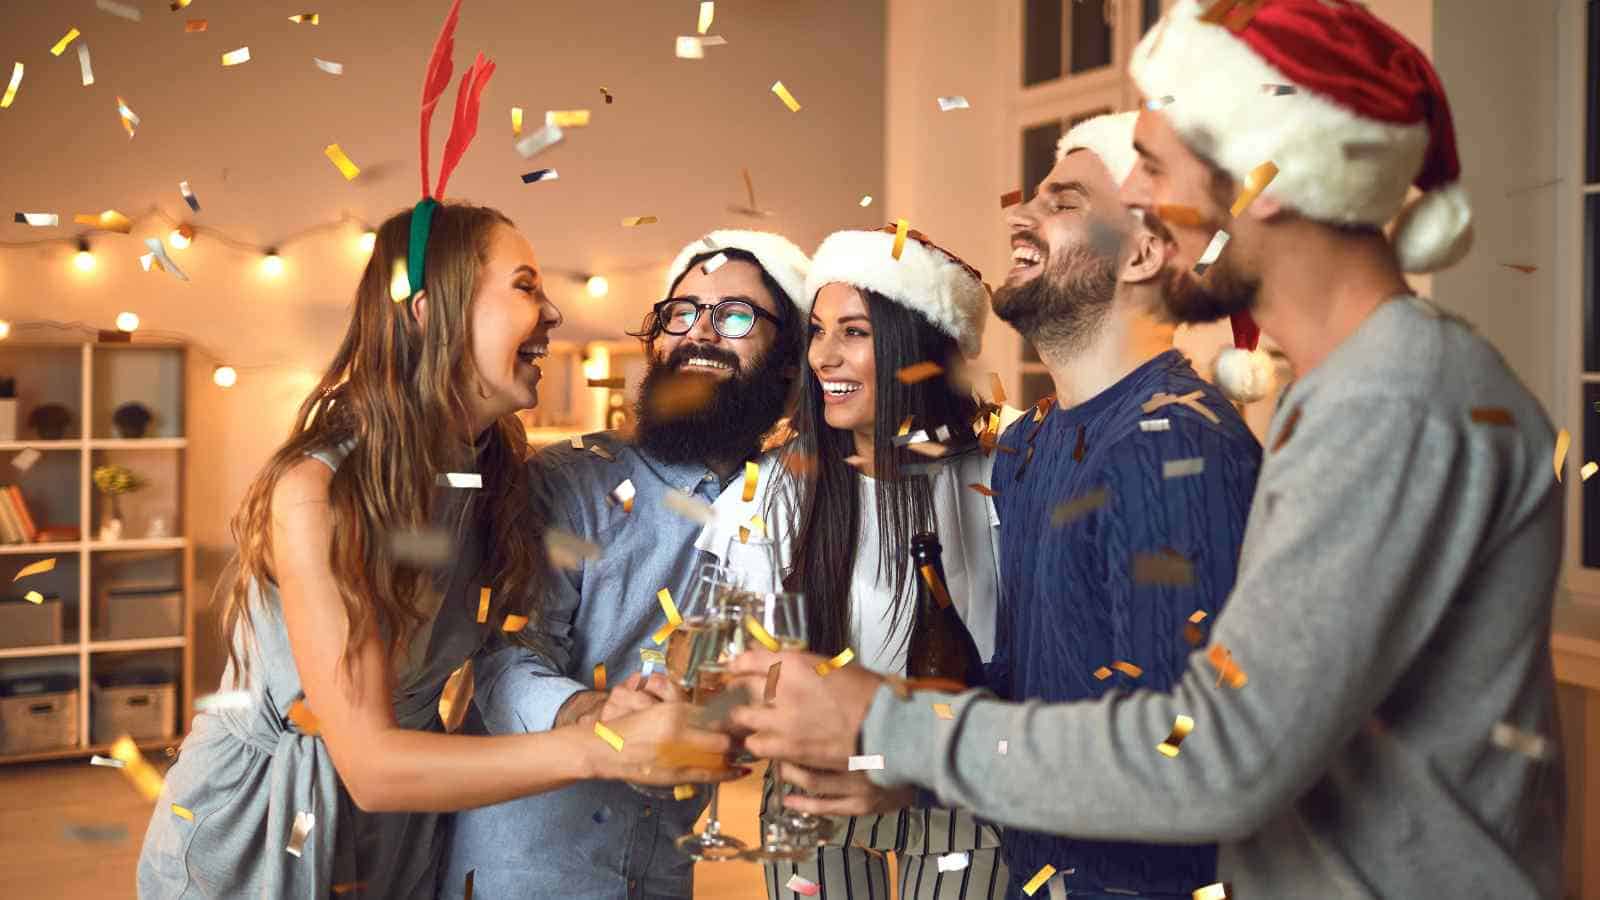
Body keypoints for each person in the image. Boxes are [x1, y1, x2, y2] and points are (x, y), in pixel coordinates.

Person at [727, 2, 1566, 897]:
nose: (1137, 203)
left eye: (1154, 168)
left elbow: (1218, 755)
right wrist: (905, 755)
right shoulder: (1346, 396)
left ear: (1266, 180)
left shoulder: (1394, 402)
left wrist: (885, 724)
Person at [136, 7, 735, 889]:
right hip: (266, 834)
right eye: (526, 286)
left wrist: (608, 702)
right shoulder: (318, 491)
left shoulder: (492, 474)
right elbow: (374, 767)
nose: (554, 313)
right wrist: (604, 748)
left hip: (402, 842)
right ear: (429, 313)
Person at [443, 229, 811, 899]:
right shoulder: (568, 481)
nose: (700, 332)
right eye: (681, 312)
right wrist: (596, 712)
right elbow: (501, 664)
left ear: (788, 361)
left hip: (665, 872)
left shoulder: (788, 504)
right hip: (525, 871)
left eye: (734, 316)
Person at [981, 111, 1261, 898]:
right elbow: (1029, 683)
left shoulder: (1173, 447)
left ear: (1141, 252)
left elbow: (1176, 755)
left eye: (1063, 200)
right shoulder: (1026, 446)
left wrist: (913, 756)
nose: (1020, 215)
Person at [707, 226, 1018, 899]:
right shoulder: (774, 490)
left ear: (919, 346)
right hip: (813, 787)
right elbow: (729, 654)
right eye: (818, 331)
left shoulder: (1007, 467)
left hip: (959, 792)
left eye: (854, 332)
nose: (824, 356)